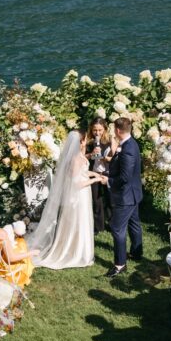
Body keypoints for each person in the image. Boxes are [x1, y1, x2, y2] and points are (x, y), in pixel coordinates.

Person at [30, 131, 103, 270]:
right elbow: (76, 184)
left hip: (83, 194)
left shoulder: (79, 156)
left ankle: (79, 250)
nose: (86, 141)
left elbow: (82, 172)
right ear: (81, 142)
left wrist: (94, 173)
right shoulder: (75, 159)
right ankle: (76, 253)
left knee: (81, 222)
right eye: (85, 139)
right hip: (78, 196)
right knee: (79, 223)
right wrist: (96, 180)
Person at [106, 117, 144, 277]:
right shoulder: (131, 143)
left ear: (118, 131)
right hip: (134, 194)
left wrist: (108, 180)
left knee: (117, 228)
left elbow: (125, 176)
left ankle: (120, 264)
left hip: (126, 197)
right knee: (134, 223)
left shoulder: (127, 148)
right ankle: (136, 252)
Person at [85, 117, 113, 234]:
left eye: (100, 130)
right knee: (96, 201)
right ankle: (98, 226)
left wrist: (104, 158)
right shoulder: (89, 142)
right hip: (94, 173)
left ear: (105, 129)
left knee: (110, 200)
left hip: (107, 174)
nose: (97, 133)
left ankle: (112, 224)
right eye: (95, 130)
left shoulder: (110, 141)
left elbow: (115, 159)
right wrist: (91, 154)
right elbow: (81, 157)